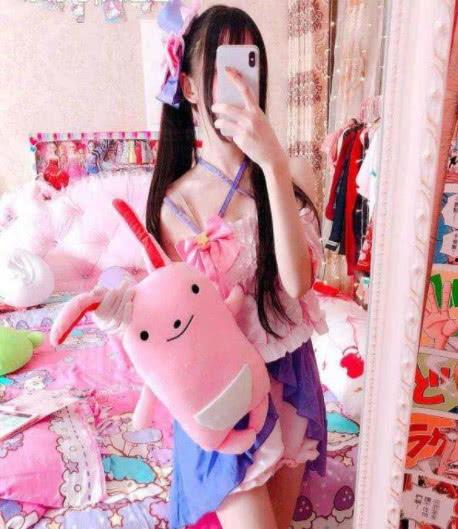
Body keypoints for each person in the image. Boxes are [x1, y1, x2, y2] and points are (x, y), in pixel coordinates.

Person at [92, 5, 327, 529]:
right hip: (221, 391)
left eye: (250, 62)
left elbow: (298, 283)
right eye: (225, 66)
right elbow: (167, 321)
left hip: (288, 373)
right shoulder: (171, 203)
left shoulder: (287, 172)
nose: (241, 81)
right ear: (190, 87)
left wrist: (272, 163)